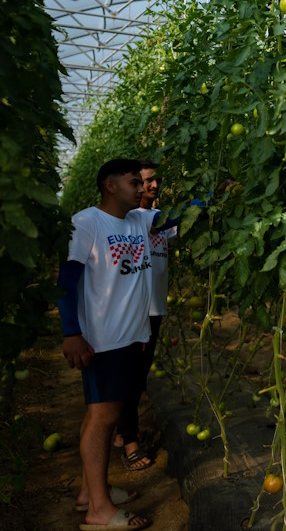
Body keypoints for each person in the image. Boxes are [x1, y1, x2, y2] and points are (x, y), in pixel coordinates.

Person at [57, 158, 155, 530]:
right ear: (110, 186)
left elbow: (180, 217)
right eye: (134, 182)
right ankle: (98, 511)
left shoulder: (139, 221)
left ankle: (90, 492)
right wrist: (71, 333)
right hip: (103, 338)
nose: (142, 187)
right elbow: (67, 280)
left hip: (130, 335)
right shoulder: (87, 223)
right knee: (104, 417)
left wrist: (219, 191)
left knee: (103, 414)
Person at [115, 160, 175, 471]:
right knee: (130, 378)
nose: (152, 186)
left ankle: (121, 431)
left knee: (138, 378)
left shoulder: (157, 219)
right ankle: (130, 444)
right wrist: (212, 193)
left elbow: (181, 226)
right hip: (137, 310)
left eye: (156, 181)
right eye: (147, 181)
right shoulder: (137, 217)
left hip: (155, 309)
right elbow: (174, 218)